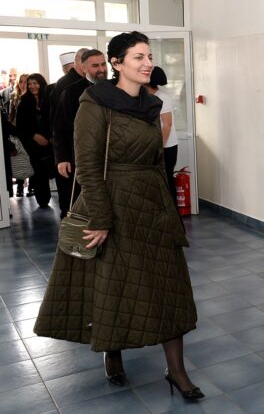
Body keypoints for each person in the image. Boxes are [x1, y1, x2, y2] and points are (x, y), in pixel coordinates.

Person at [33, 32, 202, 400]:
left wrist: (168, 209)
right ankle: (112, 354)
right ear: (116, 63)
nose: (147, 63)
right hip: (114, 204)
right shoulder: (95, 104)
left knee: (169, 286)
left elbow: (156, 160)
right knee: (113, 285)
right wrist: (100, 217)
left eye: (149, 56)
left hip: (152, 204)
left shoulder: (151, 104)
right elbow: (88, 166)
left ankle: (177, 371)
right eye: (138, 57)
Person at [52, 50, 108, 218]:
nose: (101, 69)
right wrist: (62, 158)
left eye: (103, 64)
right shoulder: (71, 92)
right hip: (81, 156)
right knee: (80, 203)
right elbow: (60, 127)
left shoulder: (115, 88)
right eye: (95, 65)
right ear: (84, 68)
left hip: (110, 156)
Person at [14, 73, 54, 207]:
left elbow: (55, 120)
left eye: (35, 83)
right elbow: (20, 127)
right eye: (30, 83)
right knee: (38, 172)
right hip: (32, 145)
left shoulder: (49, 99)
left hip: (50, 142)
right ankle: (43, 200)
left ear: (41, 84)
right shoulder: (23, 102)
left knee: (52, 170)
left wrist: (50, 137)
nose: (32, 86)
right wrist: (34, 135)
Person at [144, 66, 178, 205]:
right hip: (154, 146)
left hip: (166, 147)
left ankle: (173, 212)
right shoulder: (146, 97)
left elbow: (167, 125)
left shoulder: (162, 98)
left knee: (167, 180)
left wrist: (159, 148)